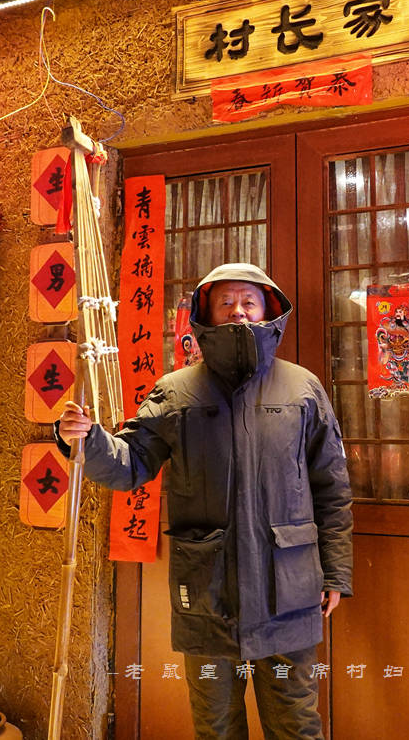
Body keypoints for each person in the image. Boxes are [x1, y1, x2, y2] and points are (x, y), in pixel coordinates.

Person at [58, 262, 352, 740]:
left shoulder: (303, 387)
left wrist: (336, 572)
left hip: (289, 590)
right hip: (208, 593)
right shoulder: (176, 392)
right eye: (226, 302)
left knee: (297, 725)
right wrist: (88, 439)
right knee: (215, 727)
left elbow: (331, 487)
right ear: (206, 315)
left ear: (268, 310)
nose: (238, 311)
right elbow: (131, 462)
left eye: (249, 301)